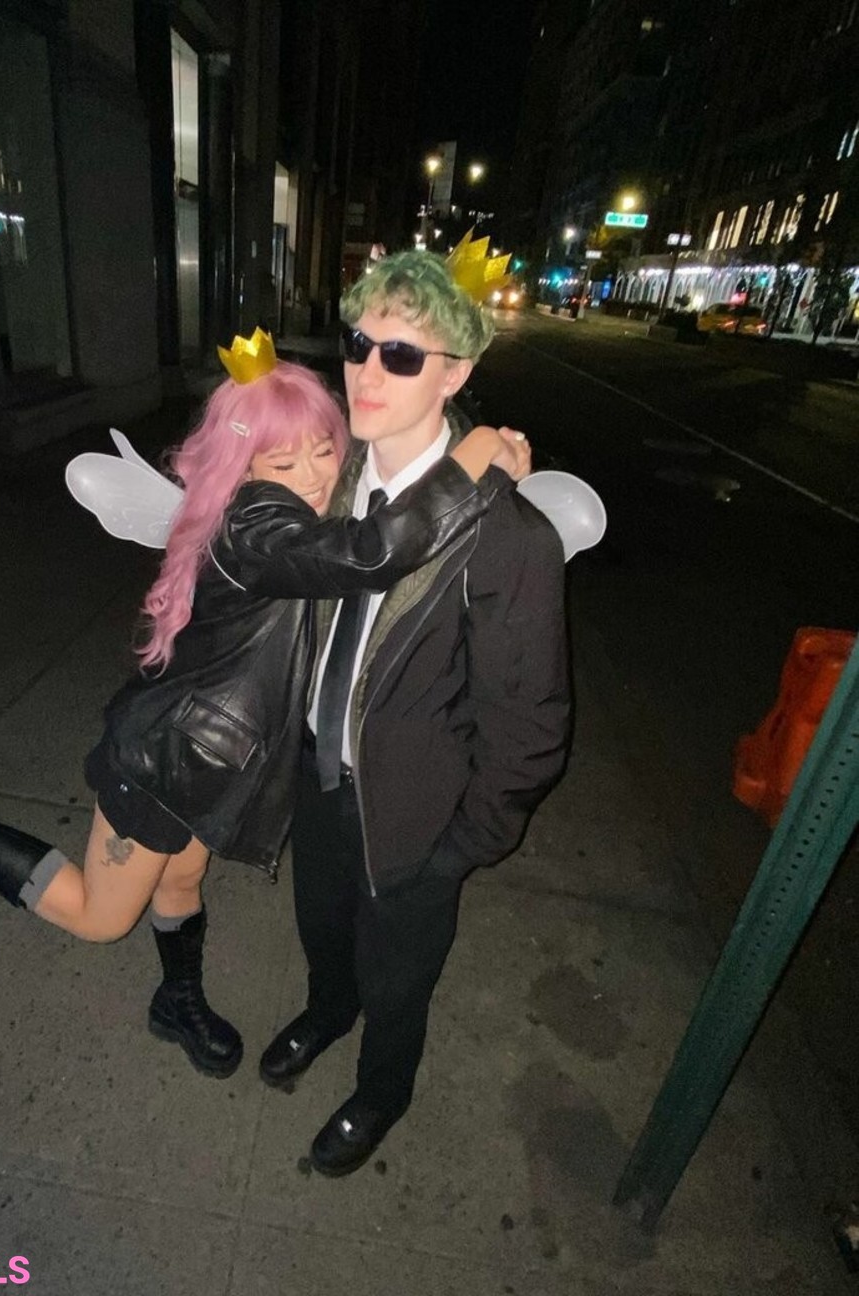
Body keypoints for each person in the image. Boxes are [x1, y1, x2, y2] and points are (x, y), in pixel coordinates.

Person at [0, 340, 530, 1084]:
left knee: (180, 881)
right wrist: (473, 453)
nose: (311, 475)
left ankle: (177, 1001)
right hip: (163, 763)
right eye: (283, 461)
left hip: (211, 763)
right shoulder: (256, 526)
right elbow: (372, 552)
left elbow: (370, 521)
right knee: (100, 916)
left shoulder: (293, 519)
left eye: (323, 449)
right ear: (246, 470)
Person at [258, 250, 571, 1175]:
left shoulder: (507, 536)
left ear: (456, 375)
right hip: (318, 773)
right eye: (359, 343)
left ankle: (381, 1090)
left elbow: (531, 730)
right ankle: (327, 1010)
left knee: (398, 978)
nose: (367, 370)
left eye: (401, 355)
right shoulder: (330, 478)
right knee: (321, 926)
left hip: (415, 815)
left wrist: (458, 847)